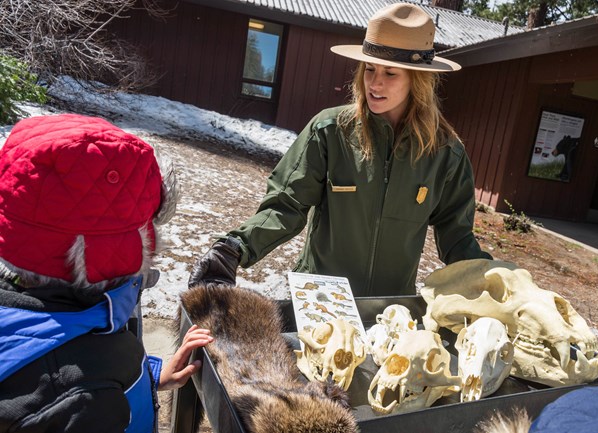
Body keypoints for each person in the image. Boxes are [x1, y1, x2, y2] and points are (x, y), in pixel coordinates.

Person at [190, 2, 492, 296]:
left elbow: (457, 237)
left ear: (419, 81)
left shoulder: (445, 154)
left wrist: (491, 279)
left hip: (389, 313)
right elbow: (286, 207)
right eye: (369, 68)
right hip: (321, 301)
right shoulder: (330, 131)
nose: (374, 83)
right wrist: (234, 248)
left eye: (390, 74)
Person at [0, 114, 212, 432]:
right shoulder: (85, 399)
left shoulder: (42, 315)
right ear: (110, 254)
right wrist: (111, 383)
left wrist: (149, 375)